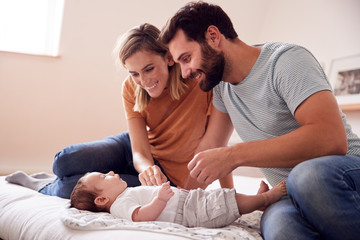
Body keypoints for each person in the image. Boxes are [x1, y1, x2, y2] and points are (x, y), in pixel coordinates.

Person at [159, 1, 360, 240]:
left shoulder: (285, 61)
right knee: (280, 226)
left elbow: (331, 139)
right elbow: (211, 146)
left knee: (307, 177)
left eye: (186, 58)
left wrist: (234, 156)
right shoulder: (222, 88)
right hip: (286, 193)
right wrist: (175, 202)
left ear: (213, 36)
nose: (185, 73)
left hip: (342, 174)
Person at [5, 23, 233, 199]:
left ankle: (42, 184)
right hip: (133, 149)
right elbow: (140, 152)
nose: (142, 81)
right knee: (64, 162)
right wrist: (147, 167)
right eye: (134, 73)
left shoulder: (199, 83)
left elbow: (217, 144)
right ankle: (55, 176)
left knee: (70, 187)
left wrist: (228, 195)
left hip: (168, 178)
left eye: (149, 69)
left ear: (168, 58)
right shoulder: (131, 87)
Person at [69, 171, 287, 228]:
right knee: (227, 202)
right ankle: (265, 198)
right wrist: (161, 200)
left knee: (224, 199)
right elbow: (141, 217)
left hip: (188, 201)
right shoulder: (119, 205)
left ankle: (258, 202)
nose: (110, 172)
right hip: (189, 213)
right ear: (102, 199)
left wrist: (172, 193)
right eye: (104, 177)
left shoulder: (125, 195)